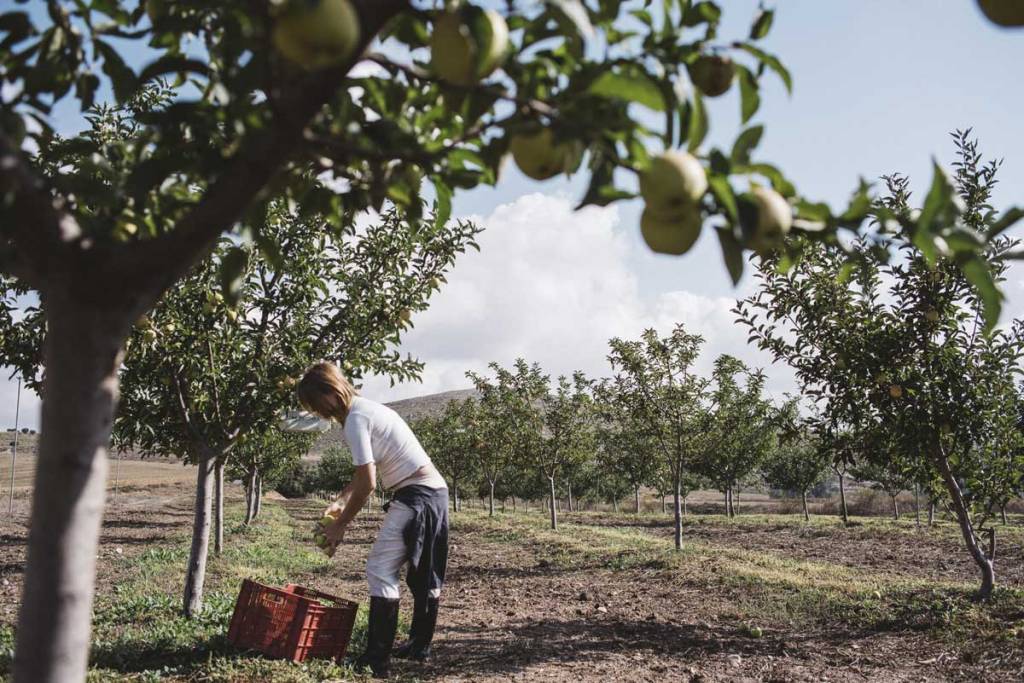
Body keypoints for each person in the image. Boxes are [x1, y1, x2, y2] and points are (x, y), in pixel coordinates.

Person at [296, 361, 449, 679]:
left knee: (380, 568)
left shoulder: (355, 420)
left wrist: (340, 526)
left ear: (329, 392)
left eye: (315, 403)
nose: (317, 412)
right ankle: (418, 646)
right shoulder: (367, 410)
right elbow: (363, 472)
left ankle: (377, 660)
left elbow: (369, 484)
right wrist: (340, 498)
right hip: (428, 492)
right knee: (420, 574)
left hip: (418, 495)